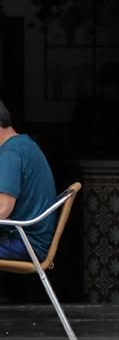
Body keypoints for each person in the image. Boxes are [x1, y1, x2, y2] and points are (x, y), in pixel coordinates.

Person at [0, 99, 58, 261]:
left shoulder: (10, 153)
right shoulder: (23, 144)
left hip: (24, 243)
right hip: (27, 239)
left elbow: (3, 210)